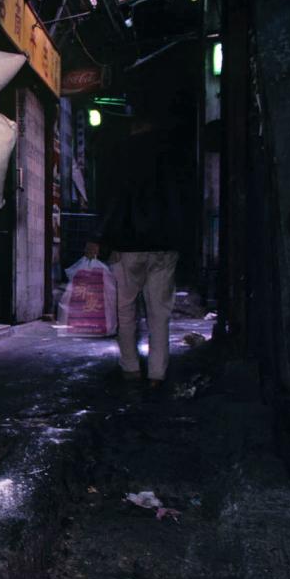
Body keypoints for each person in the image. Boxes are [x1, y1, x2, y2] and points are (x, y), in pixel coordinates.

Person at [85, 115, 182, 389]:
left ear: (136, 126)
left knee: (125, 310)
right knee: (159, 312)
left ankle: (130, 368)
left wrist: (99, 237)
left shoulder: (123, 155)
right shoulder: (173, 156)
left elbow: (114, 200)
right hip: (164, 245)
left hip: (127, 246)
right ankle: (157, 374)